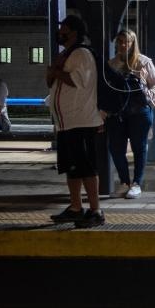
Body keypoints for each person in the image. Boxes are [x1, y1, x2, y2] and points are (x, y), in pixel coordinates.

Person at [47, 15, 105, 228]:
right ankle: (75, 207)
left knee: (86, 167)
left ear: (74, 32)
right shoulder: (65, 54)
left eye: (63, 29)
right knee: (72, 167)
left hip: (81, 121)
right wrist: (54, 70)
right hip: (66, 123)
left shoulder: (82, 54)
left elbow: (78, 81)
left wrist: (56, 71)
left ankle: (95, 210)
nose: (59, 32)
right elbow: (50, 81)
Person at [102, 29, 155, 200]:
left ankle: (136, 183)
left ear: (133, 43)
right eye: (120, 41)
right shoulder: (111, 64)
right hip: (117, 113)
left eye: (126, 42)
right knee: (115, 148)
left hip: (140, 111)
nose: (122, 45)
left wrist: (148, 95)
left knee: (139, 147)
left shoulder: (143, 62)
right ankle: (124, 182)